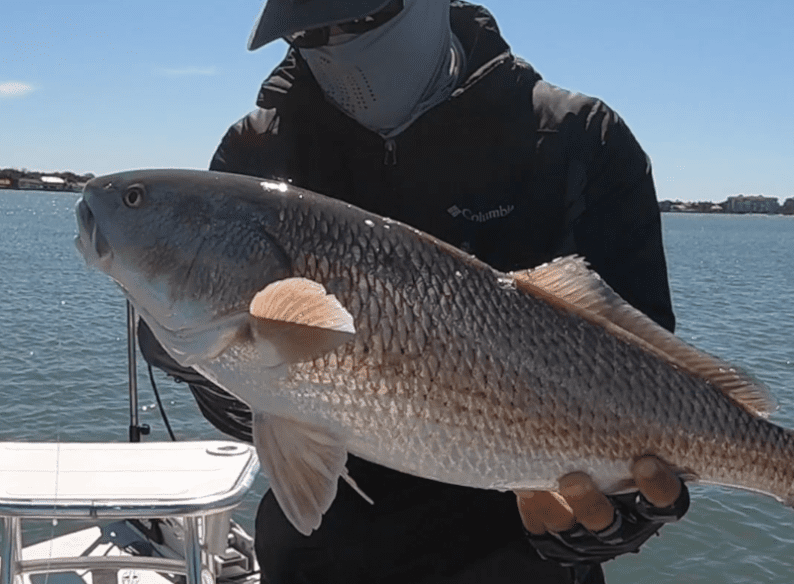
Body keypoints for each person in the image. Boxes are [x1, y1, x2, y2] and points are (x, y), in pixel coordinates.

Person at [139, 1, 690, 582]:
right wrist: (208, 364)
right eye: (306, 31)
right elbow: (257, 409)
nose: (333, 42)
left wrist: (617, 515)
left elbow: (643, 372)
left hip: (522, 564)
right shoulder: (257, 156)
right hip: (321, 563)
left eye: (358, 18)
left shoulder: (578, 138)